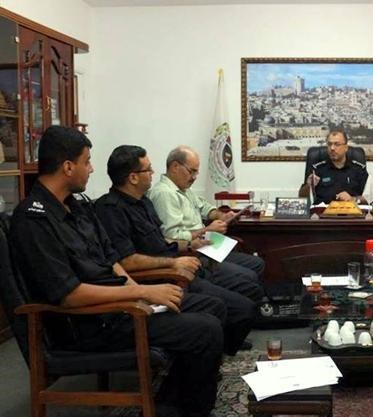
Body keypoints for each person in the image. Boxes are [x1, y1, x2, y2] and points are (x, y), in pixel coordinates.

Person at [10, 126, 225, 417]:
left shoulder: (77, 207)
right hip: (91, 322)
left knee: (209, 308)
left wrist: (139, 291)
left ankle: (171, 400)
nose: (91, 169)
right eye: (87, 161)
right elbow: (69, 295)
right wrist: (142, 292)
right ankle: (181, 409)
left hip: (120, 305)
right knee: (205, 330)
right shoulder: (34, 220)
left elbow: (111, 260)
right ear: (68, 167)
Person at [95, 145, 256, 354]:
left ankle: (215, 351)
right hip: (160, 278)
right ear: (133, 177)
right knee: (231, 308)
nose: (153, 173)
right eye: (148, 170)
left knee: (244, 300)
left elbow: (162, 242)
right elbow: (126, 261)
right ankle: (213, 352)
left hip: (181, 265)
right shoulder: (111, 210)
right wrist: (174, 262)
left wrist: (189, 245)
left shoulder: (143, 202)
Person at [148, 145, 264, 303]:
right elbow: (172, 236)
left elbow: (204, 207)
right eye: (192, 171)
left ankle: (250, 306)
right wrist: (207, 230)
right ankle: (245, 307)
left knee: (257, 263)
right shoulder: (164, 194)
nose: (194, 177)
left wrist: (220, 215)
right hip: (191, 253)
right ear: (175, 167)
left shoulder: (183, 188)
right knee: (250, 275)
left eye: (196, 172)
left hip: (207, 245)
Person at [300, 129, 370, 204]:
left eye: (337, 144)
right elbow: (302, 197)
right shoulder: (317, 168)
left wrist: (353, 199)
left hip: (350, 209)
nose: (332, 148)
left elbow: (368, 198)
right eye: (329, 144)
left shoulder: (358, 168)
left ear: (346, 148)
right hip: (324, 210)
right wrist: (308, 186)